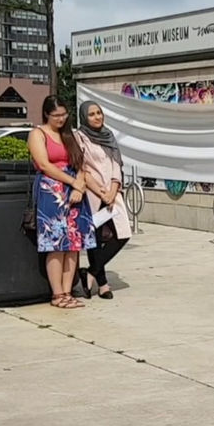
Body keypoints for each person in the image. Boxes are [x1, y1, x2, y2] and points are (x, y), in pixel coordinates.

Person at [27, 95, 97, 309]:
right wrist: (73, 182)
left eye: (64, 115)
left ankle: (67, 291)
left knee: (74, 244)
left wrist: (80, 185)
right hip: (52, 190)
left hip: (74, 191)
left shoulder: (70, 135)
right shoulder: (38, 134)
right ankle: (57, 293)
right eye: (56, 115)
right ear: (46, 114)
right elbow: (44, 164)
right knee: (56, 244)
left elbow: (81, 164)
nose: (60, 119)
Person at [73, 101, 132, 299]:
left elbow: (116, 164)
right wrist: (100, 192)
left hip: (112, 192)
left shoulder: (108, 135)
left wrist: (113, 190)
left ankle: (90, 272)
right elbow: (82, 168)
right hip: (93, 193)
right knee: (95, 239)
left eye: (99, 113)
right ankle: (103, 284)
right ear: (84, 117)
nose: (97, 117)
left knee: (123, 234)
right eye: (92, 114)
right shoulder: (80, 137)